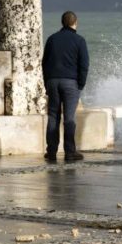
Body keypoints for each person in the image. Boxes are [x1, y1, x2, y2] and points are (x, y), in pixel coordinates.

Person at [41, 11, 89, 162]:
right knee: (69, 118)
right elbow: (84, 65)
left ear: (62, 23)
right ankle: (70, 152)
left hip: (53, 81)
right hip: (70, 83)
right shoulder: (79, 40)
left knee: (53, 116)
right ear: (75, 23)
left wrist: (47, 82)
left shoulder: (52, 39)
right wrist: (80, 84)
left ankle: (52, 152)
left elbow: (44, 63)